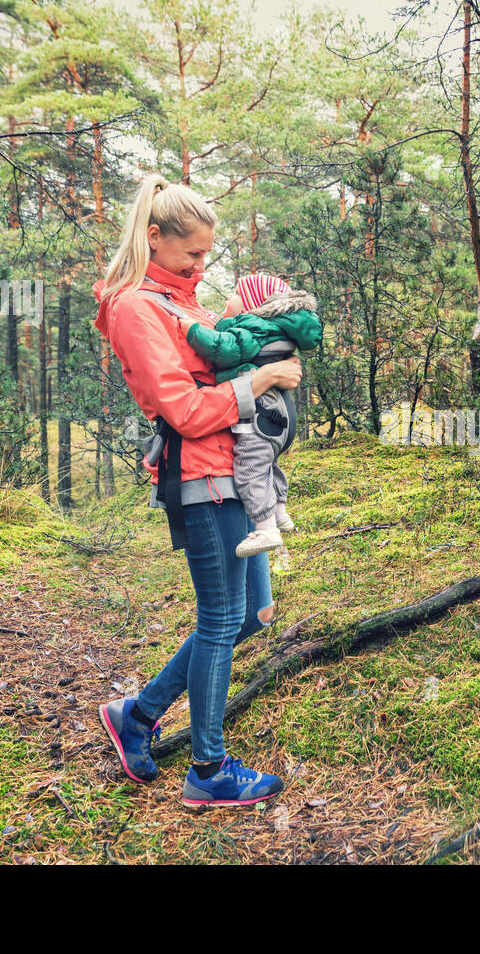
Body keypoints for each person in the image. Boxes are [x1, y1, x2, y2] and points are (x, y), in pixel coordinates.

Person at [91, 173, 302, 808]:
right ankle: (208, 771)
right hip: (200, 477)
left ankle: (139, 713)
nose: (203, 266)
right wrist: (262, 379)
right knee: (220, 619)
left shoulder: (189, 305)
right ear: (153, 238)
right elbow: (181, 409)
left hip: (239, 473)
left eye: (209, 254)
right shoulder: (135, 308)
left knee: (253, 613)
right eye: (193, 255)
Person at [179, 272, 322, 557]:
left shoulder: (253, 327)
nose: (227, 297)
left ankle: (266, 528)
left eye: (234, 292)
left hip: (259, 414)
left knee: (249, 468)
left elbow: (224, 350)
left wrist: (191, 330)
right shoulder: (271, 329)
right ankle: (280, 512)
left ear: (252, 304)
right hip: (278, 414)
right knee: (267, 463)